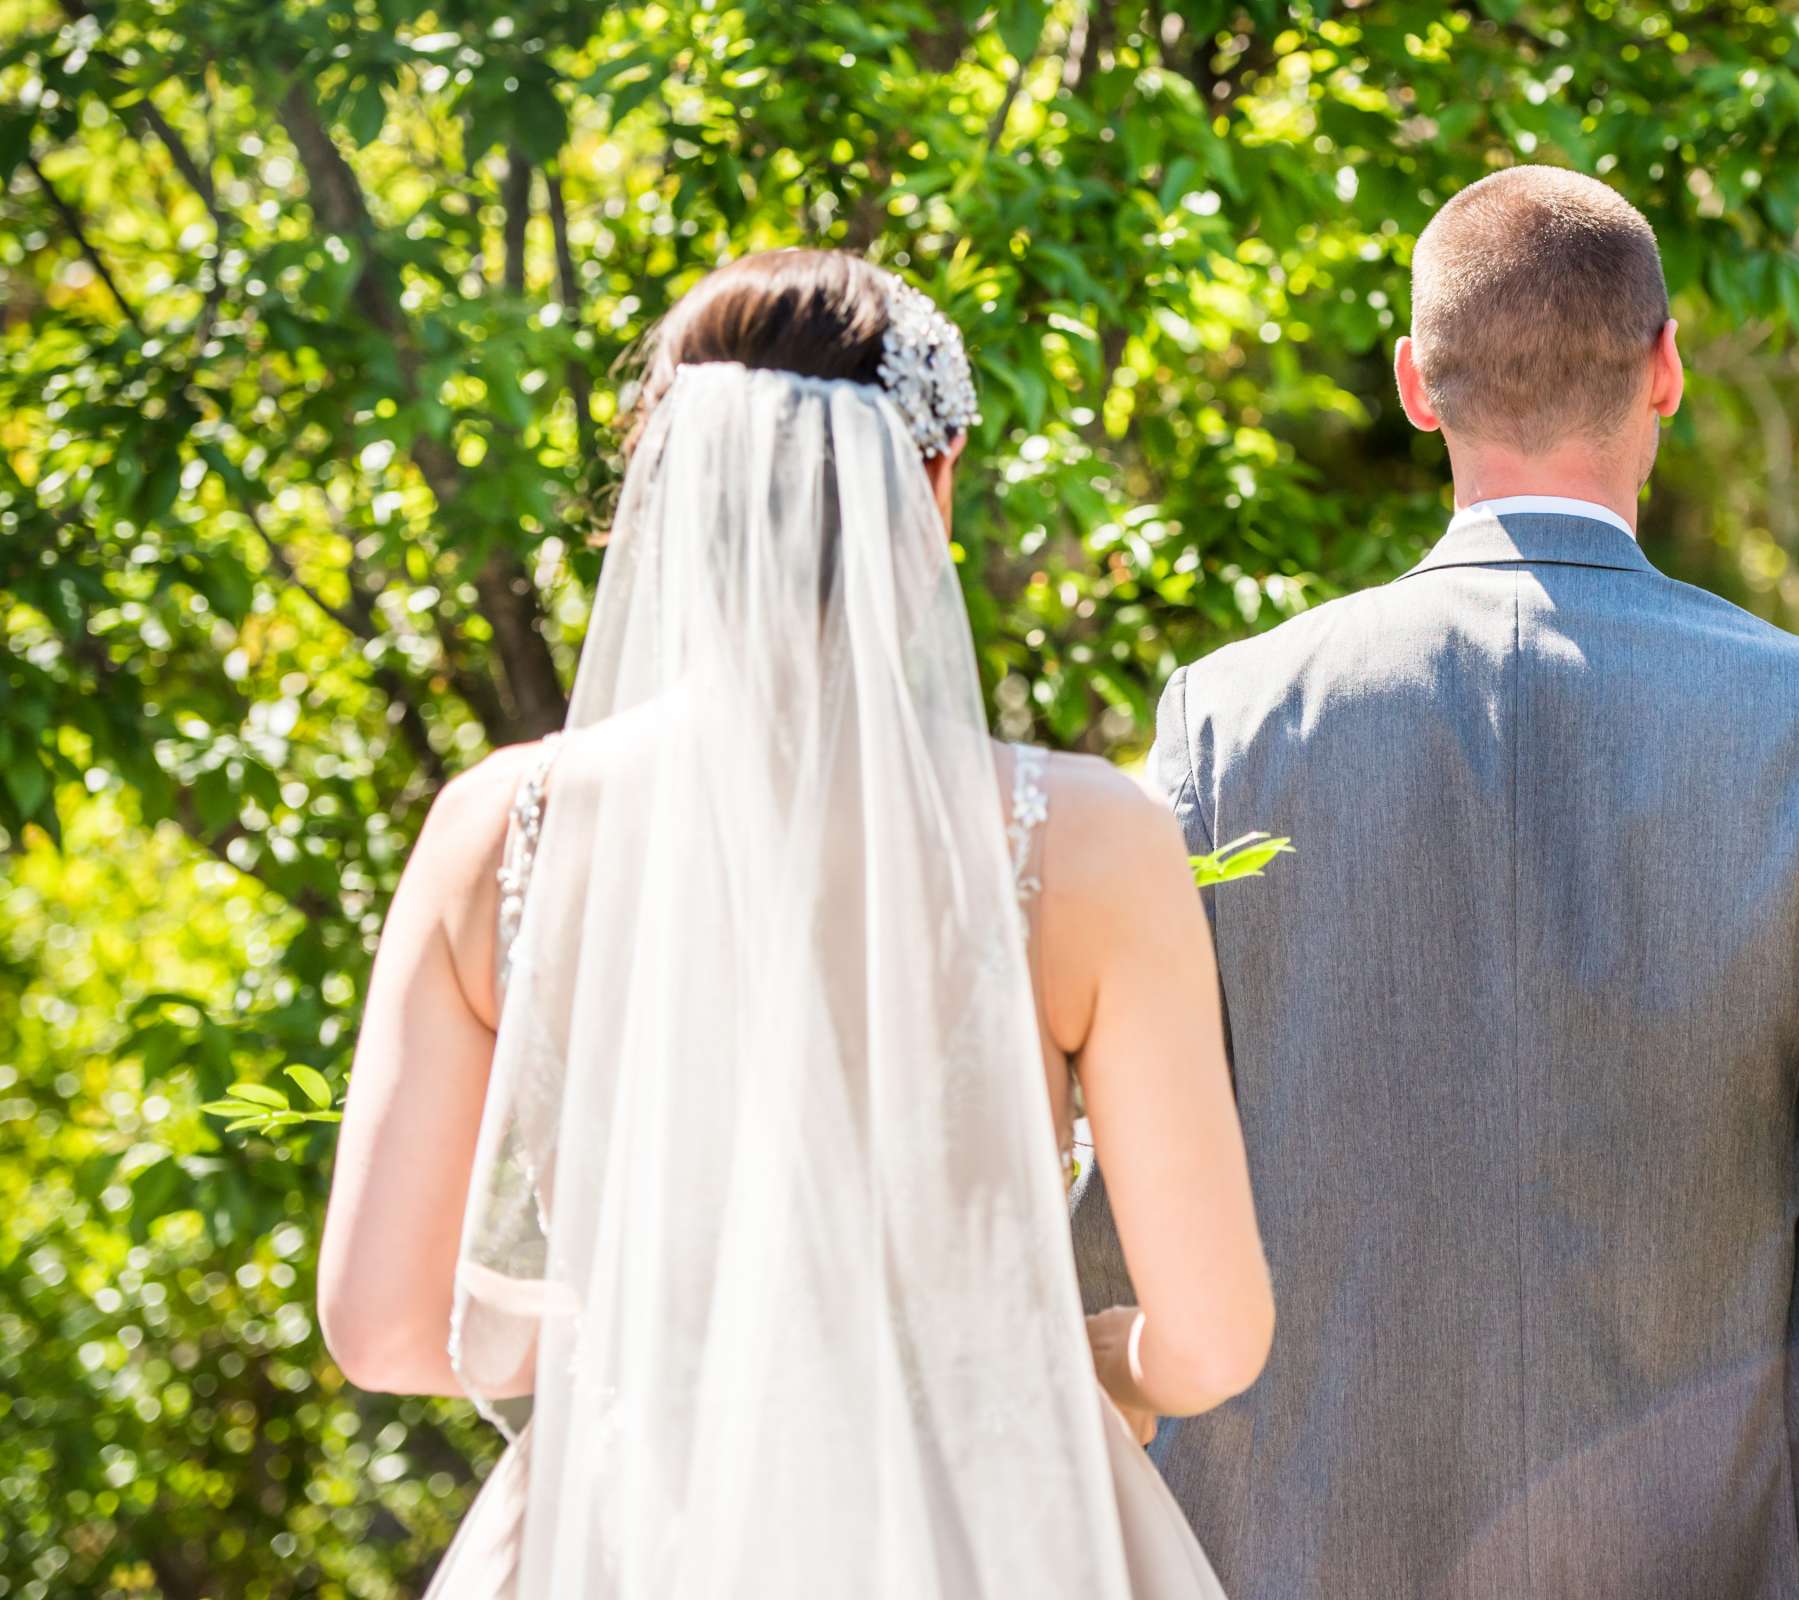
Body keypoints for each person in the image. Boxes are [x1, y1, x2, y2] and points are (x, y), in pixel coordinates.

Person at [1072, 165, 1799, 1599]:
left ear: (1413, 383)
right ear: (1665, 369)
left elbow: (1116, 1201)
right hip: (1720, 1554)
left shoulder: (1229, 722)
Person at [317, 249, 1273, 1597]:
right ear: (932, 492)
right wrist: (1096, 1357)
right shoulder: (1092, 842)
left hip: (630, 1535)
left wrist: (623, 1327)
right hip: (993, 1538)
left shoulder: (499, 829)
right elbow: (1214, 1337)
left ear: (663, 491)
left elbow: (385, 1325)